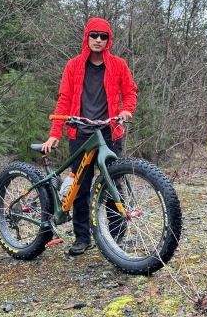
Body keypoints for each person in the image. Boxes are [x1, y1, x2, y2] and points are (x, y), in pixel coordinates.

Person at [41, 17, 137, 255]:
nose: (98, 40)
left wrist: (126, 110)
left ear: (108, 40)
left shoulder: (118, 65)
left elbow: (130, 92)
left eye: (103, 36)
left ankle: (116, 237)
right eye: (94, 35)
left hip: (110, 133)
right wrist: (55, 133)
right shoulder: (73, 66)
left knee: (113, 184)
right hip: (80, 133)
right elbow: (64, 99)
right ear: (87, 37)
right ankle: (82, 238)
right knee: (80, 187)